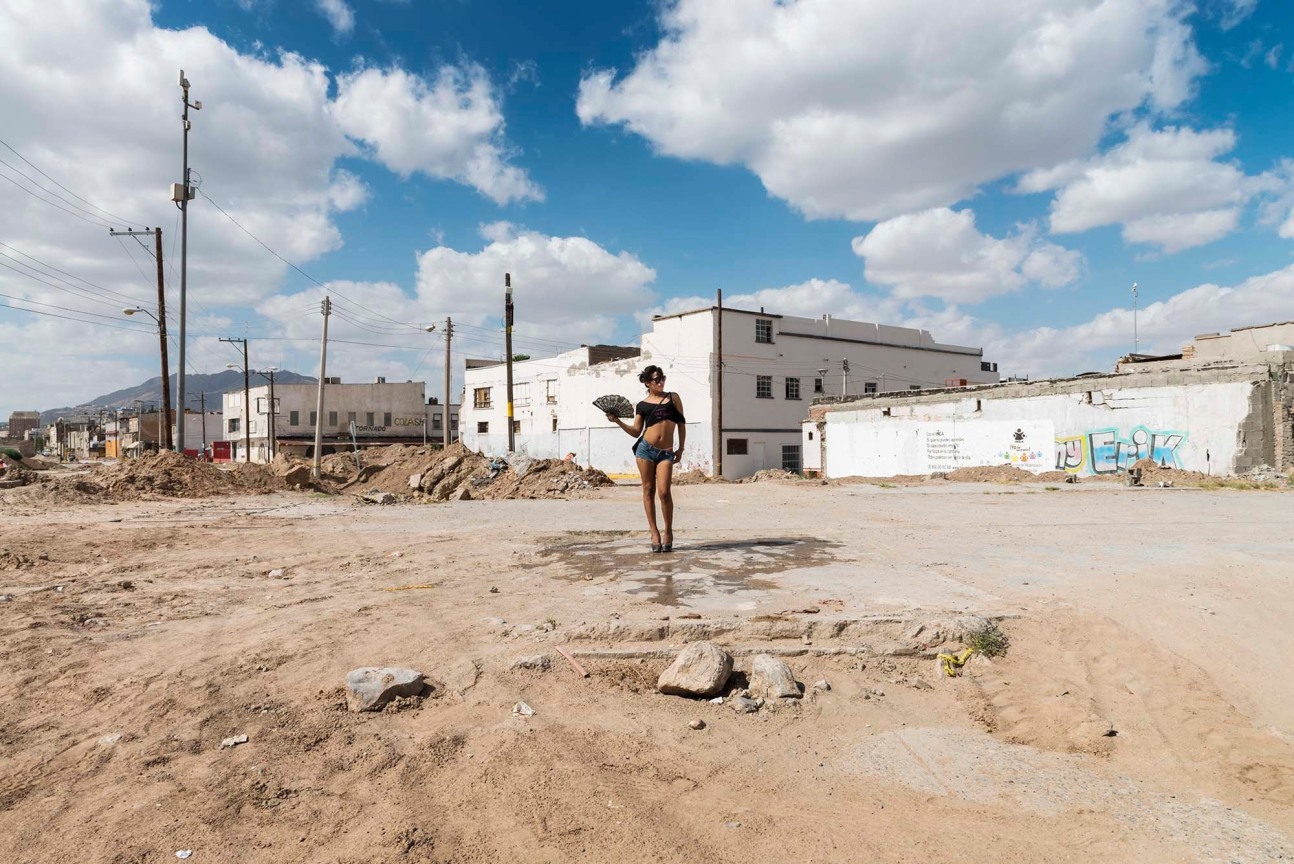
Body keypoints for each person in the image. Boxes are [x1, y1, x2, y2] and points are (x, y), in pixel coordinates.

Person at [607, 365, 686, 553]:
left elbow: (681, 424)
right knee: (648, 490)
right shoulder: (641, 405)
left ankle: (668, 531)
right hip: (645, 451)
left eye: (662, 378)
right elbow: (636, 432)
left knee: (664, 492)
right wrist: (617, 421)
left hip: (666, 452)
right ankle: (654, 532)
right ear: (647, 382)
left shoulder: (673, 398)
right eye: (656, 379)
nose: (660, 382)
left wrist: (681, 448)